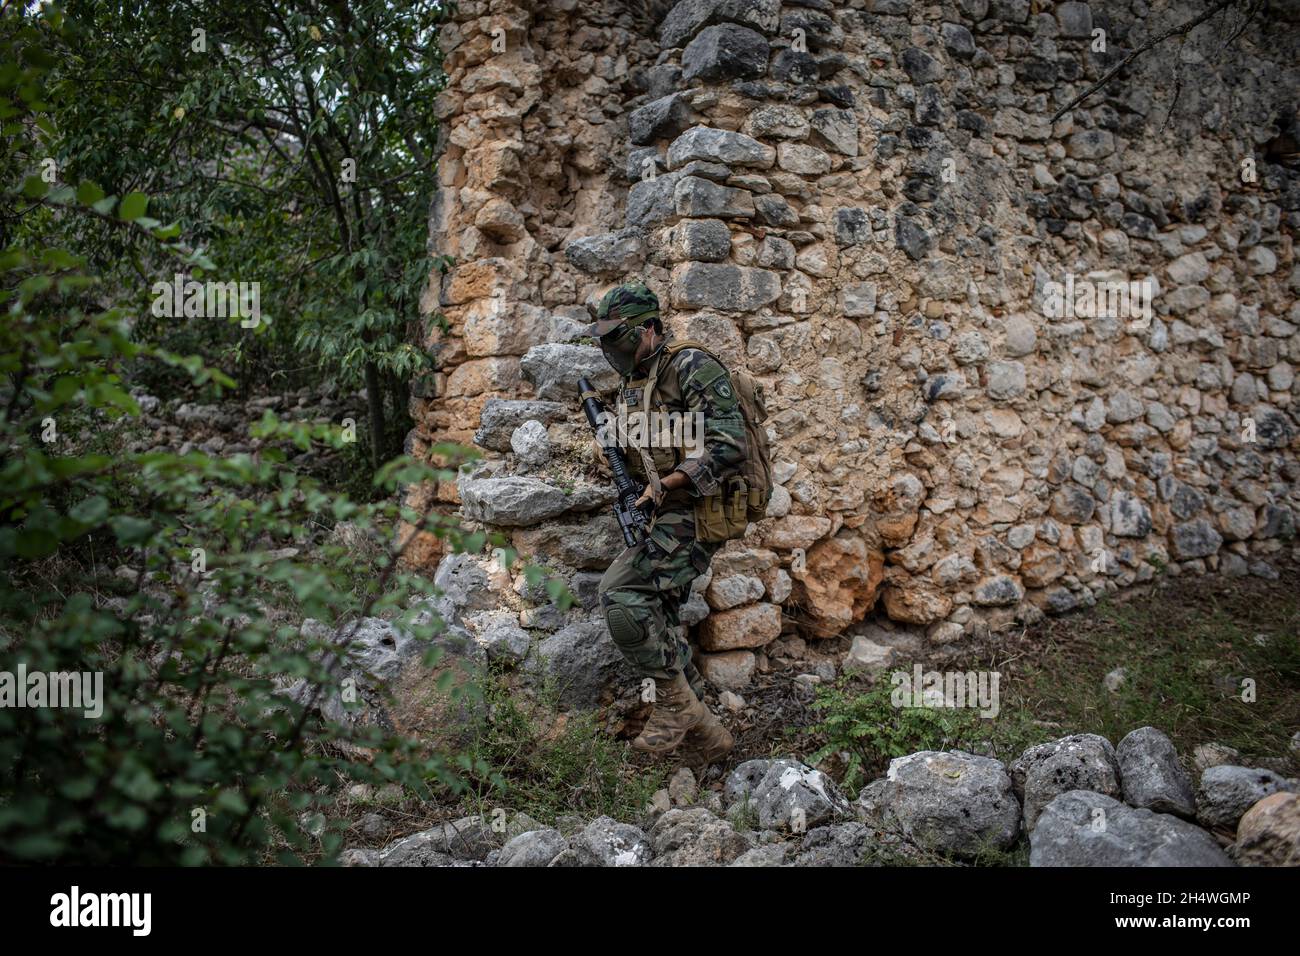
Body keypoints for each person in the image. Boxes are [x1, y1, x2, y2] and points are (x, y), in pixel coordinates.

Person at [586, 280, 747, 767]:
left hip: (698, 508)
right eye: (605, 341)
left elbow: (729, 446)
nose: (613, 350)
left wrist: (668, 485)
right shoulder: (638, 377)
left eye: (621, 339)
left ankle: (675, 706)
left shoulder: (692, 366)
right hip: (661, 506)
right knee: (661, 613)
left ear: (651, 329)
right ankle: (706, 737)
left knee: (620, 592)